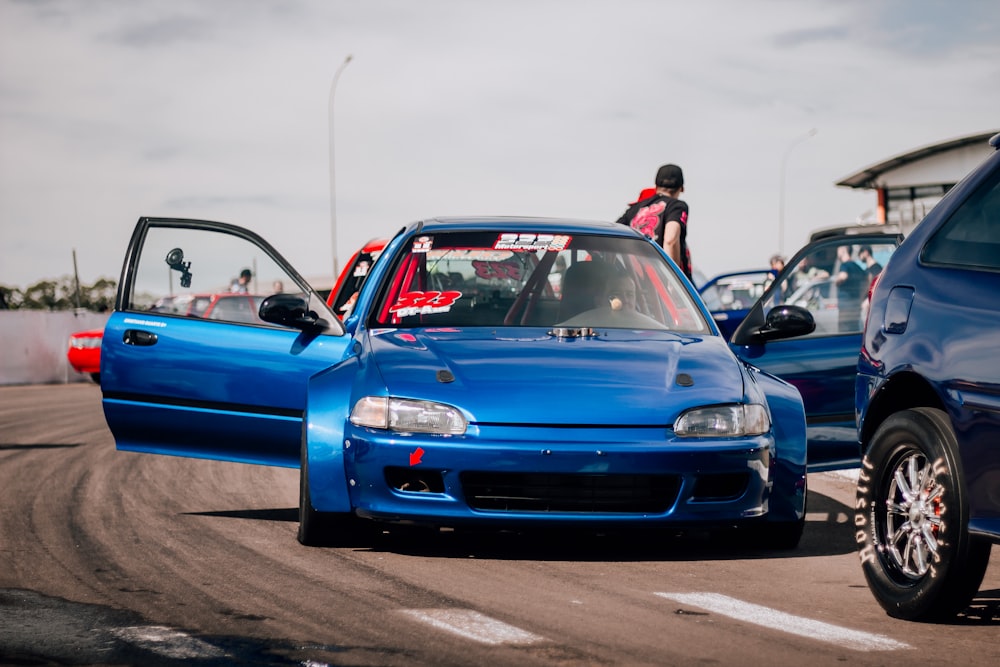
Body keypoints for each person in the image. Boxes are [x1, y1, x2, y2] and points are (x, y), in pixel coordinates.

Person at [616, 164, 692, 280]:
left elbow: (615, 232)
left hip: (636, 280)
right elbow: (670, 240)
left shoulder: (635, 209)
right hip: (660, 281)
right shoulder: (676, 206)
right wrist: (672, 280)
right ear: (681, 188)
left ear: (656, 187)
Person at [833, 245, 865, 332]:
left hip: (845, 306)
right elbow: (865, 282)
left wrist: (836, 281)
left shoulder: (844, 265)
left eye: (838, 250)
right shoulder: (857, 267)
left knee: (844, 331)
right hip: (856, 305)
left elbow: (843, 276)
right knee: (854, 330)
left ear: (843, 250)